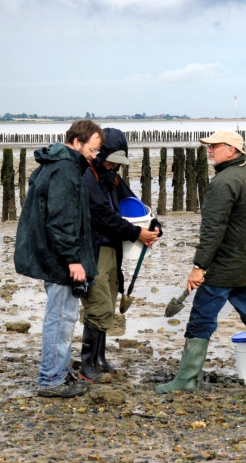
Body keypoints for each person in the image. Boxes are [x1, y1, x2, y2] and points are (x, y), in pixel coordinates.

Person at [155, 129, 246, 393]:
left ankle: (185, 381)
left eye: (214, 146)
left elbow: (212, 229)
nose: (209, 150)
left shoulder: (222, 183)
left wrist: (199, 267)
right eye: (208, 146)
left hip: (223, 268)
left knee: (201, 320)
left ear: (231, 150)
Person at [14, 119, 104, 398]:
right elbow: (61, 220)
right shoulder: (65, 169)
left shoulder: (55, 164)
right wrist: (73, 260)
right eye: (93, 149)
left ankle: (59, 372)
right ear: (77, 143)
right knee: (61, 319)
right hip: (60, 259)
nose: (95, 155)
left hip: (52, 255)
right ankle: (50, 379)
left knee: (63, 316)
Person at [78, 127, 160, 382]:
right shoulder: (86, 176)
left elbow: (133, 203)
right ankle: (87, 364)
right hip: (93, 248)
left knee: (110, 300)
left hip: (113, 247)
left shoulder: (112, 176)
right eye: (113, 159)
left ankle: (100, 358)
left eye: (119, 161)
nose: (116, 166)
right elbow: (104, 216)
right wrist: (136, 234)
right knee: (99, 304)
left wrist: (153, 226)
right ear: (101, 154)